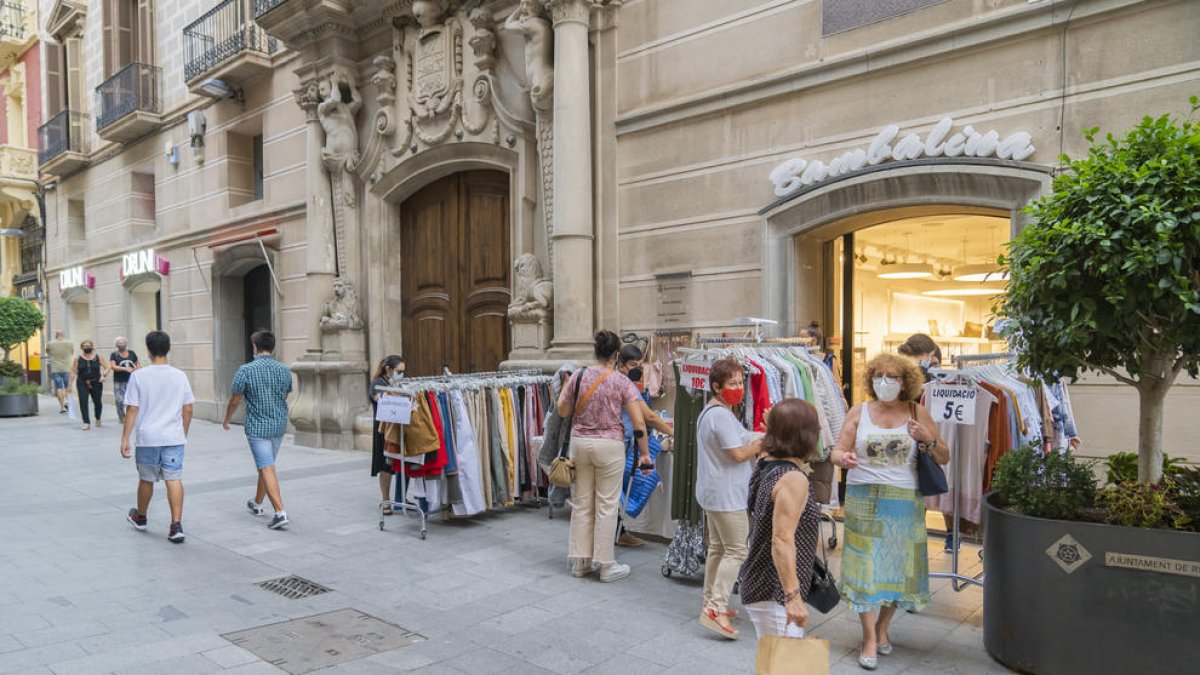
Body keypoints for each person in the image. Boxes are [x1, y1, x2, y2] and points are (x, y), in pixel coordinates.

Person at [828, 353, 949, 671]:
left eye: (892, 376)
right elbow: (837, 450)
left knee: (899, 569)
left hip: (904, 502)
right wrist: (843, 459)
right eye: (879, 375)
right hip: (863, 498)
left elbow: (944, 455)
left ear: (905, 382)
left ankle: (883, 627)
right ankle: (869, 636)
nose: (884, 382)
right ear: (870, 379)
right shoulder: (859, 411)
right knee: (864, 569)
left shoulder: (916, 411)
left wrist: (926, 438)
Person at [556, 330, 651, 583]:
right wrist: (644, 454)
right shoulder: (622, 382)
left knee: (582, 503)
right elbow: (638, 421)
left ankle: (580, 562)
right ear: (616, 355)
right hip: (609, 445)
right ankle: (606, 564)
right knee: (607, 505)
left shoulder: (578, 375)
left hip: (580, 443)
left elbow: (562, 410)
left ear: (596, 352)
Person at [737, 398, 824, 640]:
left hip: (763, 582)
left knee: (776, 662)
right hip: (773, 590)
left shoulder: (766, 462)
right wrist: (792, 596)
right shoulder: (793, 479)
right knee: (783, 663)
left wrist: (774, 424)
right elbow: (781, 539)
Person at [695, 357, 762, 640]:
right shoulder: (720, 415)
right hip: (726, 494)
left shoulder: (715, 412)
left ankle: (710, 601)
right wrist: (762, 444)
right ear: (716, 386)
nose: (738, 388)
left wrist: (762, 434)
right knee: (736, 550)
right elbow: (736, 452)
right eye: (732, 383)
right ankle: (716, 608)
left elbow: (741, 437)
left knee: (719, 548)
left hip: (714, 491)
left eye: (739, 382)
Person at [120, 331, 195, 544]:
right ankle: (176, 525)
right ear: (168, 349)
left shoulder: (138, 376)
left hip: (148, 437)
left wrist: (125, 439)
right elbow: (188, 409)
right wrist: (183, 433)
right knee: (174, 478)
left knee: (146, 479)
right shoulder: (180, 376)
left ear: (148, 350)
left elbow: (132, 410)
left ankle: (141, 517)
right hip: (173, 437)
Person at [223, 330, 294, 530]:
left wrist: (227, 419)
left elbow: (235, 399)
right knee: (267, 465)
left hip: (257, 427)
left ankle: (280, 512)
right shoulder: (284, 370)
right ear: (273, 347)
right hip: (278, 424)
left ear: (254, 347)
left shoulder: (245, 370)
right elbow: (287, 392)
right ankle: (257, 502)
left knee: (266, 467)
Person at [615, 343, 673, 548]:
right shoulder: (625, 384)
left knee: (613, 491)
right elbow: (646, 417)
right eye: (633, 364)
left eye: (640, 364)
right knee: (616, 491)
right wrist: (672, 432)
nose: (637, 369)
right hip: (619, 443)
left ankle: (618, 532)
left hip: (615, 441)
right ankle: (614, 535)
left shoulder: (613, 380)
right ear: (620, 364)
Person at [370, 355, 405, 513]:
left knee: (401, 463)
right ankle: (386, 500)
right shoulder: (377, 383)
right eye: (399, 371)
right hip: (383, 430)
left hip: (399, 427)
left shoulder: (401, 382)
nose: (402, 374)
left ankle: (400, 497)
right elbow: (378, 398)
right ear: (389, 369)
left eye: (403, 371)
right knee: (386, 465)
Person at [71, 339, 109, 430]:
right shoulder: (78, 358)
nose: (86, 347)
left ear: (92, 347)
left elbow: (107, 367)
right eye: (84, 346)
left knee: (97, 402)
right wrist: (69, 385)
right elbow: (74, 371)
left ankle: (98, 417)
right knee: (83, 402)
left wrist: (103, 376)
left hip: (96, 382)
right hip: (82, 382)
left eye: (88, 346)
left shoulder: (98, 357)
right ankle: (86, 422)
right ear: (81, 348)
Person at [109, 337, 140, 424]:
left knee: (132, 399)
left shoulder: (132, 353)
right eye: (119, 343)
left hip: (132, 380)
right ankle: (122, 416)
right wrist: (125, 369)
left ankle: (130, 416)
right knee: (119, 400)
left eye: (123, 343)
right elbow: (113, 366)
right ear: (116, 345)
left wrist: (138, 370)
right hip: (119, 381)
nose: (121, 345)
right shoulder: (114, 354)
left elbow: (137, 363)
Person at [46, 331, 74, 414]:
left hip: (55, 368)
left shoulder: (50, 343)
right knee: (67, 387)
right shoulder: (69, 343)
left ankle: (62, 407)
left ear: (56, 335)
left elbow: (48, 353)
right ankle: (66, 401)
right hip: (67, 368)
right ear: (63, 335)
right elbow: (72, 353)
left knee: (58, 388)